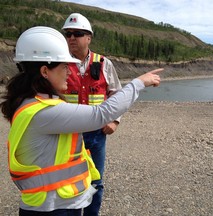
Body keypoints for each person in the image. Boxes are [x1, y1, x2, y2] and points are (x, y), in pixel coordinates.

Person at [0, 26, 163, 216]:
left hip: (52, 203)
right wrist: (139, 83)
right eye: (64, 66)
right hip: (54, 208)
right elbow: (101, 114)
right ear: (45, 71)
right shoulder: (44, 112)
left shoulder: (31, 103)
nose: (70, 72)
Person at [61, 13, 122, 215]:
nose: (71, 38)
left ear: (89, 38)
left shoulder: (104, 63)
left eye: (77, 34)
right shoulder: (58, 63)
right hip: (66, 135)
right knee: (66, 182)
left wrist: (114, 121)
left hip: (96, 135)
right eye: (67, 34)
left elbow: (117, 94)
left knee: (96, 182)